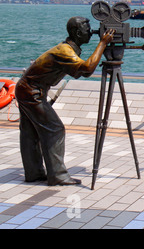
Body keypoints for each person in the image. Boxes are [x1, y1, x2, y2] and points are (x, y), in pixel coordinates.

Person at [15, 16, 114, 186]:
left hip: (28, 89)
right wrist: (103, 43)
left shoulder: (68, 49)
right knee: (55, 129)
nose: (90, 32)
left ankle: (34, 173)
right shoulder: (65, 51)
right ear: (77, 32)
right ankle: (58, 175)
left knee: (30, 132)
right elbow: (87, 69)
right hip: (31, 92)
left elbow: (81, 69)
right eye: (86, 28)